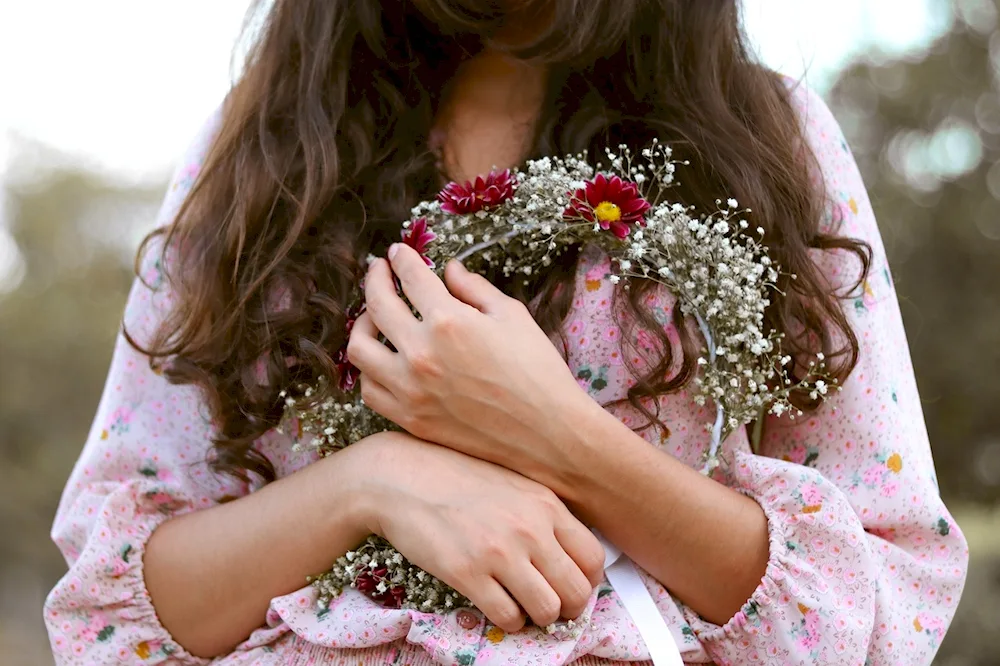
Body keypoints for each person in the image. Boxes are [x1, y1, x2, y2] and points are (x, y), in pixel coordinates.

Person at [44, 1, 968, 664]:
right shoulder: (259, 157)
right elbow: (121, 610)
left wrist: (557, 436)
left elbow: (880, 604)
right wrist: (371, 484)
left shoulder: (764, 139)